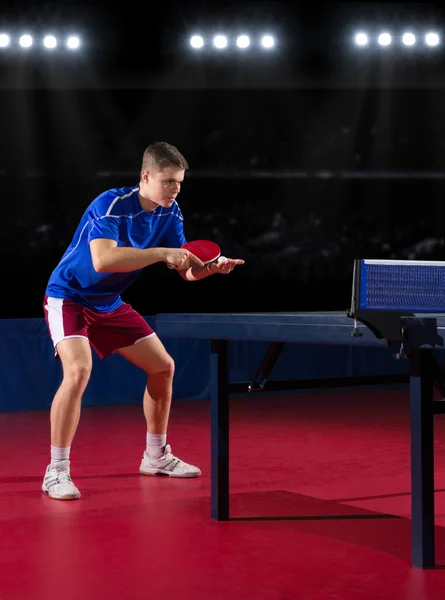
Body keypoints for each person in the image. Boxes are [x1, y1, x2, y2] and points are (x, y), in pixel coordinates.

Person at [42, 141, 245, 500]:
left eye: (179, 183)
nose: (175, 189)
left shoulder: (171, 212)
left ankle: (156, 456)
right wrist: (162, 253)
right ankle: (56, 471)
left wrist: (211, 269)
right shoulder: (111, 205)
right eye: (168, 182)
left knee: (163, 367)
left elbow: (186, 272)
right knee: (78, 371)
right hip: (70, 296)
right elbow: (104, 260)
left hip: (109, 303)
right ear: (146, 176)